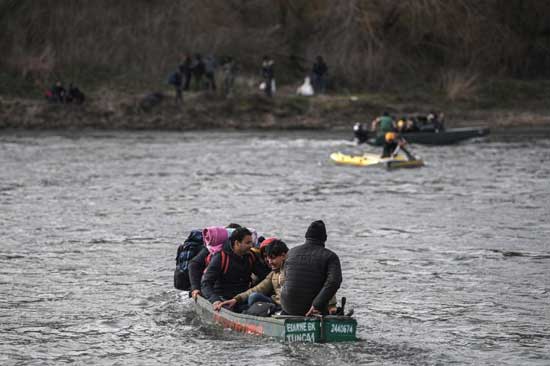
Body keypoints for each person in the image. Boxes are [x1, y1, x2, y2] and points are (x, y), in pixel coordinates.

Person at [201, 227, 270, 313]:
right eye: (247, 243)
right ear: (237, 243)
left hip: (243, 297)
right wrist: (215, 300)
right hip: (224, 299)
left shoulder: (250, 256)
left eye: (251, 243)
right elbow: (206, 284)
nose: (251, 246)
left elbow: (264, 275)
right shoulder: (220, 258)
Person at [280, 220, 342, 316]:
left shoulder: (291, 252)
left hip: (288, 306)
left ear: (306, 236)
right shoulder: (330, 256)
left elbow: (284, 280)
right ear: (325, 238)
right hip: (312, 309)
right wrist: (316, 305)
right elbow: (333, 282)